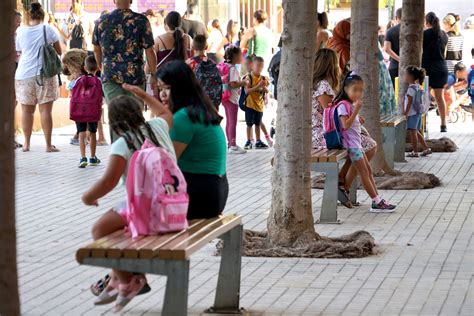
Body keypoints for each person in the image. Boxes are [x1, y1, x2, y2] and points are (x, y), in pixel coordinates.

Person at [82, 85, 174, 312]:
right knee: (117, 228)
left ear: (112, 122)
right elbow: (164, 113)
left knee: (99, 230)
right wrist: (142, 94)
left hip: (148, 209)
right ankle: (118, 277)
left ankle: (128, 280)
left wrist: (87, 197)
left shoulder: (123, 143)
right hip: (173, 204)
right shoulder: (157, 127)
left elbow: (108, 182)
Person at [157, 60, 228, 220]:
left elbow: (166, 163)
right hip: (215, 192)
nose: (162, 94)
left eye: (168, 88)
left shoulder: (183, 118)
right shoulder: (199, 110)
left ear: (182, 87)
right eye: (160, 88)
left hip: (200, 195)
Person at [311, 49, 377, 207]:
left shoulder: (319, 84)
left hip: (324, 130)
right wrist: (352, 115)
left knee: (365, 146)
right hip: (323, 133)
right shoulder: (323, 86)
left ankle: (342, 181)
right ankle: (342, 184)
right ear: (331, 65)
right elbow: (329, 114)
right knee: (368, 147)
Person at [333, 71, 396, 213]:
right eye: (354, 90)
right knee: (363, 173)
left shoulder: (349, 105)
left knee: (368, 171)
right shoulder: (343, 105)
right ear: (345, 89)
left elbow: (351, 123)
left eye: (361, 90)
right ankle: (376, 201)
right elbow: (345, 125)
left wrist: (358, 118)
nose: (358, 93)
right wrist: (356, 112)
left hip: (357, 144)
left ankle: (378, 200)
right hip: (352, 146)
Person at [93, 0, 157, 132]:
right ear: (131, 1)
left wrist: (102, 68)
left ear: (114, 1)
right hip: (134, 76)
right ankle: (135, 150)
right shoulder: (141, 20)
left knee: (116, 119)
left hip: (110, 75)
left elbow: (96, 49)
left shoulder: (101, 21)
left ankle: (118, 151)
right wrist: (154, 74)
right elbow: (149, 51)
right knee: (136, 118)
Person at [15, 2, 62, 152]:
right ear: (43, 15)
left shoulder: (21, 31)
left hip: (23, 74)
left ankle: (27, 144)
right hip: (45, 74)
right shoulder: (48, 29)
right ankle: (48, 145)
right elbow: (59, 51)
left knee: (26, 111)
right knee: (45, 111)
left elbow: (19, 51)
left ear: (28, 15)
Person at [71, 55, 103, 168]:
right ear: (98, 68)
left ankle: (83, 157)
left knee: (81, 132)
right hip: (93, 110)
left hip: (79, 109)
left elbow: (71, 88)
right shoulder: (98, 81)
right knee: (93, 132)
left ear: (84, 67)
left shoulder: (79, 80)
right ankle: (93, 157)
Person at [422, 12, 449, 132]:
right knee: (440, 97)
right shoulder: (444, 35)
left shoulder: (424, 34)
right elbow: (445, 54)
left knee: (424, 98)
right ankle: (443, 124)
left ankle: (424, 125)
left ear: (426, 22)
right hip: (441, 67)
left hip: (427, 67)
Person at [243, 54, 273, 147]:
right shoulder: (248, 77)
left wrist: (263, 87)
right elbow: (247, 91)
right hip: (250, 105)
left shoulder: (263, 78)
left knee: (258, 124)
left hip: (259, 106)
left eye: (261, 66)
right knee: (249, 124)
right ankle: (248, 141)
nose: (259, 68)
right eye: (257, 66)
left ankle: (258, 140)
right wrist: (258, 86)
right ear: (252, 66)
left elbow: (267, 91)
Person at [222, 45, 247, 154]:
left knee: (229, 121)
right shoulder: (232, 68)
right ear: (235, 56)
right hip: (232, 98)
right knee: (233, 122)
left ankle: (230, 143)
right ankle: (233, 146)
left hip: (225, 97)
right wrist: (243, 82)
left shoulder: (226, 66)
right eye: (240, 54)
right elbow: (233, 84)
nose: (242, 56)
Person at [185, 35, 222, 108]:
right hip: (211, 102)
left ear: (192, 47)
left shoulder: (189, 63)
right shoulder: (212, 63)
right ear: (206, 47)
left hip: (195, 102)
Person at [403, 66, 432, 158]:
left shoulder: (411, 88)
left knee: (413, 132)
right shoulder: (418, 86)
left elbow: (410, 102)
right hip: (418, 112)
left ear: (410, 76)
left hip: (412, 113)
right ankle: (426, 148)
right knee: (416, 132)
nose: (404, 77)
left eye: (406, 75)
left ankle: (415, 152)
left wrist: (405, 113)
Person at [383, 8, 402, 87]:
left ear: (396, 17)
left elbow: (387, 49)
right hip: (411, 67)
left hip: (395, 66)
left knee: (395, 94)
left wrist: (399, 59)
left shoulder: (390, 31)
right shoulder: (414, 31)